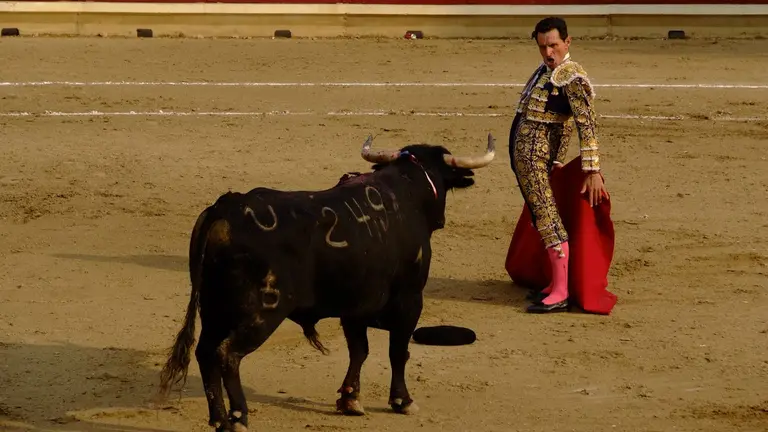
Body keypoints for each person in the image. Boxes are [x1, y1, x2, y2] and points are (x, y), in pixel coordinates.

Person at [508, 16, 609, 314]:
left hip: (535, 160)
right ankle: (555, 284)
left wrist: (592, 170)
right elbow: (562, 127)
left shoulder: (572, 78)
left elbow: (585, 124)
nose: (548, 52)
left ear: (567, 42)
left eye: (553, 45)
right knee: (543, 217)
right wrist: (558, 159)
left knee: (548, 218)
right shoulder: (546, 72)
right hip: (534, 161)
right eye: (542, 47)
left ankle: (562, 291)